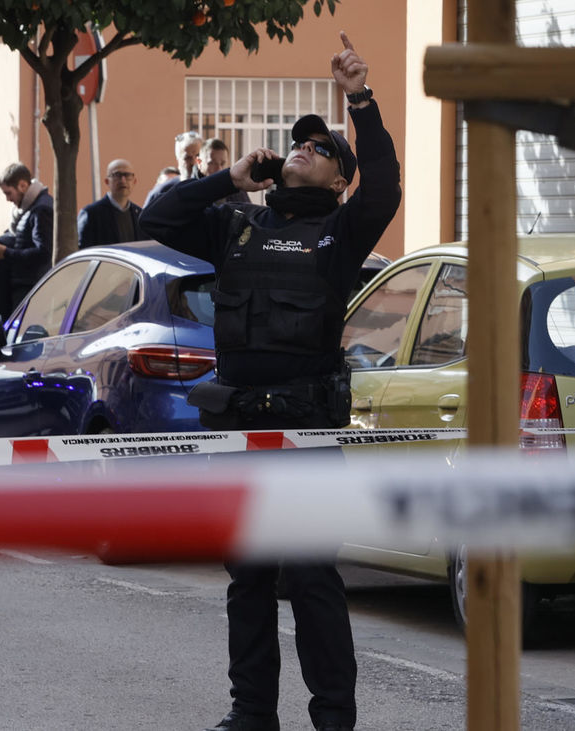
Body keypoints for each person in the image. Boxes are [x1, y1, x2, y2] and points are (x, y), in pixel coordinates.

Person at [141, 32, 399, 731]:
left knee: (312, 580)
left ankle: (333, 719)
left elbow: (385, 183)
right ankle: (251, 711)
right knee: (248, 577)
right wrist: (228, 178)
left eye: (322, 148)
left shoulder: (343, 232)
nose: (305, 148)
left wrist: (360, 99)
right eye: (299, 143)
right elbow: (156, 217)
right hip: (238, 433)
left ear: (339, 181)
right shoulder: (237, 225)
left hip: (305, 433)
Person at [0, 162, 53, 319]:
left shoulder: (41, 209)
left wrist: (6, 253)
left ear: (23, 185)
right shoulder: (30, 208)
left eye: (9, 193)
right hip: (24, 284)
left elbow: (43, 253)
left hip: (30, 287)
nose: (8, 199)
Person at [78, 159, 145, 248]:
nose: (123, 180)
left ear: (134, 181)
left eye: (127, 175)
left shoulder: (140, 215)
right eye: (117, 175)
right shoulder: (91, 214)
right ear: (107, 181)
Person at [204, 138, 251, 205]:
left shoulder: (236, 188)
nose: (219, 169)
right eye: (212, 163)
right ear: (199, 162)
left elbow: (247, 210)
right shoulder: (192, 190)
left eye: (222, 163)